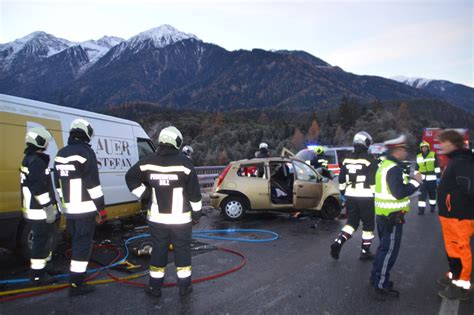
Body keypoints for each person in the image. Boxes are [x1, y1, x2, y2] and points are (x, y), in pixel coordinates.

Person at [125, 126, 202, 298]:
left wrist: (144, 193)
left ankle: (154, 287)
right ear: (177, 142)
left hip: (157, 220)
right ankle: (184, 287)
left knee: (158, 252)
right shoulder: (185, 164)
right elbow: (195, 196)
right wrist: (196, 215)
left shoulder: (148, 162)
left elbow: (130, 177)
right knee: (182, 252)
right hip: (181, 221)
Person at [54, 119, 107, 297]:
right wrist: (101, 209)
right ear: (86, 134)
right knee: (82, 245)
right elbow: (93, 185)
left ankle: (76, 278)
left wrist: (63, 206)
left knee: (76, 242)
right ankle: (77, 284)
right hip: (85, 209)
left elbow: (58, 183)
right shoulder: (86, 153)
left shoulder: (60, 153)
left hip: (69, 210)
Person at [370, 135, 422, 300]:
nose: (406, 152)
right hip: (392, 217)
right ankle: (381, 283)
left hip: (383, 215)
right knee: (389, 251)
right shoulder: (393, 168)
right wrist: (415, 182)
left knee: (382, 249)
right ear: (397, 150)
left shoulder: (384, 165)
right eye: (404, 149)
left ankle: (375, 277)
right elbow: (398, 192)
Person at [436, 130, 474, 301]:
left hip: (460, 216)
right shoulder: (456, 160)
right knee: (452, 249)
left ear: (452, 143)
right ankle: (454, 276)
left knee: (460, 250)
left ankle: (462, 286)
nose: (441, 145)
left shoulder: (462, 161)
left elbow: (469, 187)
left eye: (443, 142)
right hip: (451, 216)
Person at [330, 132, 378, 261]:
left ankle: (338, 241)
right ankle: (365, 251)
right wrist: (375, 196)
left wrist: (343, 194)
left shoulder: (347, 159)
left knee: (351, 223)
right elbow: (373, 181)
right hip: (366, 197)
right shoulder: (370, 160)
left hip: (351, 196)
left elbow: (341, 179)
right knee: (368, 226)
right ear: (365, 143)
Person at [20, 127, 58, 284]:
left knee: (46, 240)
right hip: (39, 210)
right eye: (46, 141)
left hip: (34, 209)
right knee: (40, 241)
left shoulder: (30, 159)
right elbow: (39, 188)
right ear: (40, 142)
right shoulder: (35, 162)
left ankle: (45, 268)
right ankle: (37, 275)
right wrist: (49, 208)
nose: (48, 144)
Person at [415, 141, 440, 214]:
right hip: (422, 179)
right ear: (421, 148)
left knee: (432, 194)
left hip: (432, 179)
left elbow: (436, 166)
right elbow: (417, 167)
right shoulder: (418, 156)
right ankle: (421, 210)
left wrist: (438, 177)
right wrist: (416, 177)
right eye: (422, 147)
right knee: (422, 195)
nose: (424, 148)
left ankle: (432, 206)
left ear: (428, 147)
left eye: (425, 147)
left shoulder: (433, 154)